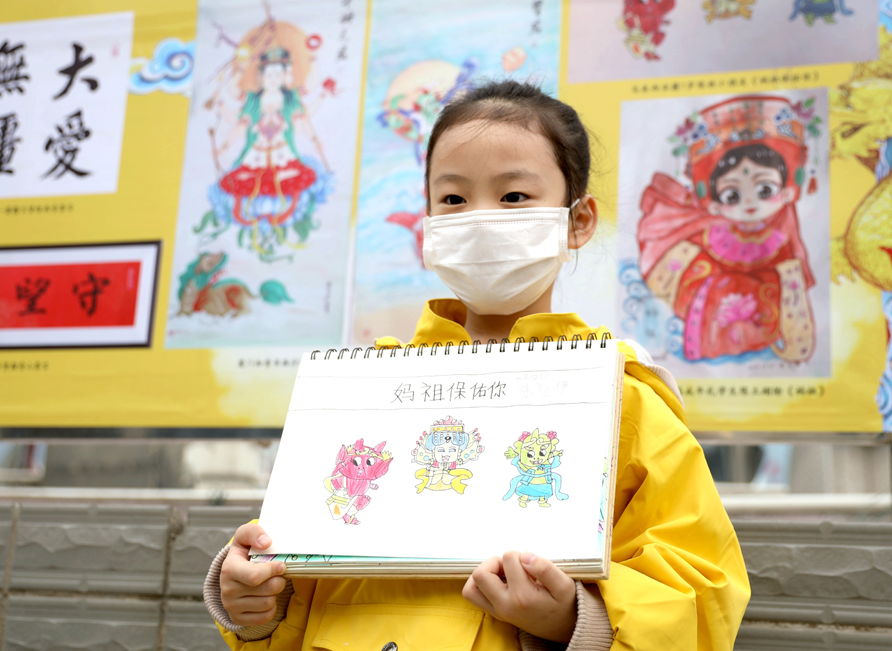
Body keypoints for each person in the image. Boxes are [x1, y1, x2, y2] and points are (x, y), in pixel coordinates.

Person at [204, 81, 750, 650]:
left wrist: (576, 621)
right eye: (454, 200)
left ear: (579, 221)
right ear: (428, 224)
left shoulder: (620, 399)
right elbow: (300, 565)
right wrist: (252, 600)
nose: (481, 218)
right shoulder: (367, 391)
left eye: (514, 197)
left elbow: (700, 585)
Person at [637, 95, 817, 364]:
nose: (749, 203)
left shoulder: (781, 243)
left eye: (764, 189)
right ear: (712, 199)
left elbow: (793, 291)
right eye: (732, 194)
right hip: (711, 335)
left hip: (765, 338)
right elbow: (672, 280)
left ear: (789, 187)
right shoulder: (707, 237)